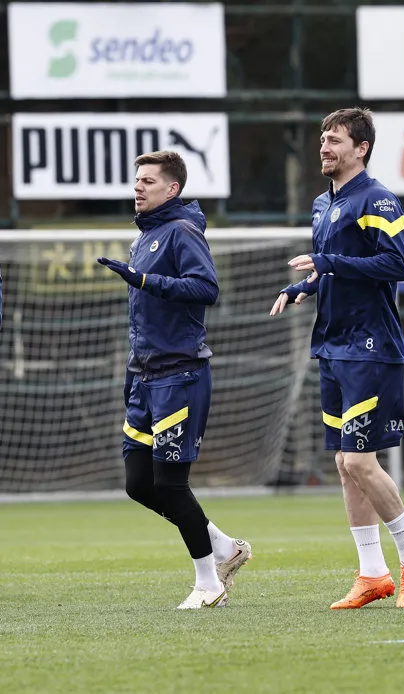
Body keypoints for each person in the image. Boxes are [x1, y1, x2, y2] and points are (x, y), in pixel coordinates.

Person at [269, 107, 404, 609]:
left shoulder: (377, 199)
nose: (325, 146)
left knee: (361, 461)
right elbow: (333, 269)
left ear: (361, 149)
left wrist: (327, 262)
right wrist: (304, 286)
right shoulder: (323, 204)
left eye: (335, 139)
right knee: (345, 463)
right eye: (323, 137)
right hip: (333, 344)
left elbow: (398, 264)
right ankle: (372, 574)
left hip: (370, 347)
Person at [98, 150, 251, 610]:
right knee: (138, 483)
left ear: (173, 189)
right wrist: (132, 371)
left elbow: (207, 289)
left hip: (179, 375)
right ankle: (224, 547)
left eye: (148, 181)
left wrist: (146, 280)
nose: (138, 187)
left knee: (169, 484)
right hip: (144, 377)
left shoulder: (183, 231)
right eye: (137, 180)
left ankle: (209, 585)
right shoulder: (145, 236)